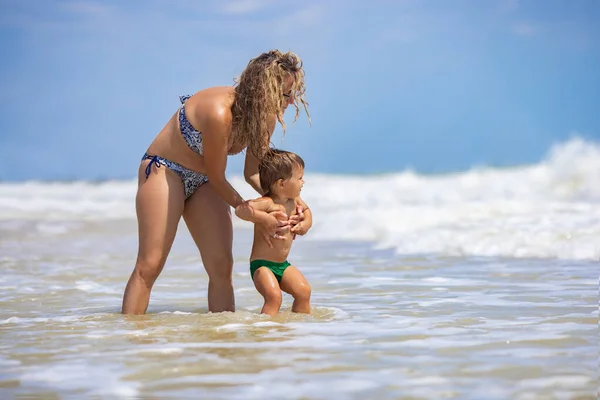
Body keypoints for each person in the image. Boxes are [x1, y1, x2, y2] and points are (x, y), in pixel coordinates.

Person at [121, 50, 311, 315]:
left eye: (293, 95)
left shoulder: (265, 117)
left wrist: (294, 202)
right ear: (264, 90)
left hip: (205, 180)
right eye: (285, 95)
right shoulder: (220, 112)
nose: (290, 103)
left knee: (221, 266)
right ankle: (129, 339)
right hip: (166, 170)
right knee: (150, 264)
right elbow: (218, 176)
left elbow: (253, 174)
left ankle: (223, 344)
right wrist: (258, 216)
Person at [235, 149, 312, 316]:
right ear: (282, 183)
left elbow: (307, 211)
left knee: (303, 292)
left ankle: (301, 328)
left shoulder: (295, 200)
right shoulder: (267, 203)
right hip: (262, 266)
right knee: (274, 297)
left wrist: (305, 224)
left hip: (282, 265)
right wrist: (264, 218)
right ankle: (265, 332)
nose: (303, 182)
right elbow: (241, 210)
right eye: (299, 178)